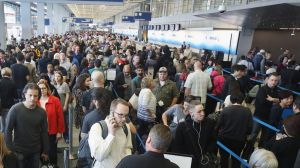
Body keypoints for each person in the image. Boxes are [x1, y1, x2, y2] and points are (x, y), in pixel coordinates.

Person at [5, 83, 49, 168]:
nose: (32, 98)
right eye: (30, 95)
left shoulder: (42, 112)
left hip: (35, 152)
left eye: (35, 96)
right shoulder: (15, 110)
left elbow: (44, 132)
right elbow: (8, 130)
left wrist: (45, 151)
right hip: (19, 152)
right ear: (25, 94)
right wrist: (10, 150)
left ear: (38, 96)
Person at [88, 98, 132, 168]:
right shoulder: (97, 128)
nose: (124, 119)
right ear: (111, 113)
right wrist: (111, 134)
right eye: (120, 115)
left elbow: (128, 148)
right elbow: (99, 156)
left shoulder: (126, 127)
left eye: (126, 115)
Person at [172, 102, 216, 168]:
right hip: (188, 162)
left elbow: (213, 140)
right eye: (199, 111)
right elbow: (178, 147)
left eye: (203, 110)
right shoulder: (182, 126)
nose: (203, 114)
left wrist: (208, 153)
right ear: (191, 113)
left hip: (205, 161)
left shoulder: (210, 123)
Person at [216, 92, 253, 168]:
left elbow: (218, 126)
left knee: (224, 159)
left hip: (224, 139)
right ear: (242, 100)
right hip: (239, 140)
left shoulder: (225, 110)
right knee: (236, 160)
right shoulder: (247, 111)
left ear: (231, 100)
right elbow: (250, 129)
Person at [37, 80, 64, 167]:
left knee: (52, 152)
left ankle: (53, 165)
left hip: (52, 132)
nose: (42, 90)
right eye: (40, 88)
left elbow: (60, 117)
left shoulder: (55, 100)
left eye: (43, 88)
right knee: (41, 152)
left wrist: (59, 132)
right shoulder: (35, 101)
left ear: (47, 88)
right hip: (39, 133)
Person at [250, 72, 279, 147]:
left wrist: (272, 99)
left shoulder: (276, 90)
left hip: (269, 117)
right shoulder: (262, 89)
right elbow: (261, 102)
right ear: (268, 80)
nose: (273, 82)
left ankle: (260, 153)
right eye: (272, 80)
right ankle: (246, 155)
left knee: (264, 137)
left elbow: (280, 101)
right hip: (258, 116)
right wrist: (274, 101)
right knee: (253, 135)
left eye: (275, 80)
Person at [54, 71, 70, 142]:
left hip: (62, 105)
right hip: (55, 107)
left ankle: (66, 137)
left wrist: (65, 105)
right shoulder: (53, 85)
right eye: (56, 76)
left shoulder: (64, 84)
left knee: (64, 122)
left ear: (61, 77)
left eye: (58, 76)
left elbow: (67, 95)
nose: (57, 78)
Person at [0, 67, 18, 132]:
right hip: (10, 105)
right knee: (10, 122)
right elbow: (16, 96)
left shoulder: (0, 82)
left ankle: (3, 139)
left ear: (2, 74)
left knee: (3, 123)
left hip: (2, 105)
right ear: (10, 74)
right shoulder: (12, 83)